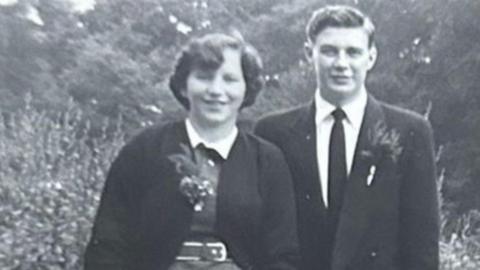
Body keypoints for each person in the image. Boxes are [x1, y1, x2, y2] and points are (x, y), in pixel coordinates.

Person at [84, 33, 299, 270]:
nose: (216, 90)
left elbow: (284, 256)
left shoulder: (267, 161)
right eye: (204, 78)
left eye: (229, 79)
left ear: (246, 89)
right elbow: (107, 246)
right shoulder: (144, 150)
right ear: (184, 86)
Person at [255, 5, 439, 270]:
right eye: (329, 51)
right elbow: (264, 238)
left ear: (371, 57)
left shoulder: (410, 131)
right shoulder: (273, 132)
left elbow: (422, 245)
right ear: (310, 54)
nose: (341, 63)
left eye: (353, 52)